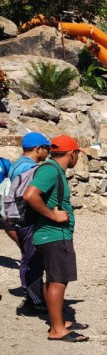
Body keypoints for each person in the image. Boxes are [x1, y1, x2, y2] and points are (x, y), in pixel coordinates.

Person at [22, 135, 87, 342]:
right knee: (58, 281)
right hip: (54, 235)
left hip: (52, 235)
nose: (77, 158)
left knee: (55, 279)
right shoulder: (50, 170)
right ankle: (57, 329)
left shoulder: (54, 170)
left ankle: (58, 321)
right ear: (72, 153)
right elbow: (30, 195)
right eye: (77, 154)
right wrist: (53, 215)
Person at [3, 132, 51, 314]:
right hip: (28, 220)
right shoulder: (28, 168)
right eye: (46, 148)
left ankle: (33, 296)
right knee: (33, 261)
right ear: (38, 149)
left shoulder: (17, 164)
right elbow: (28, 196)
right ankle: (33, 300)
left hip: (19, 219)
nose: (48, 152)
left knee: (27, 258)